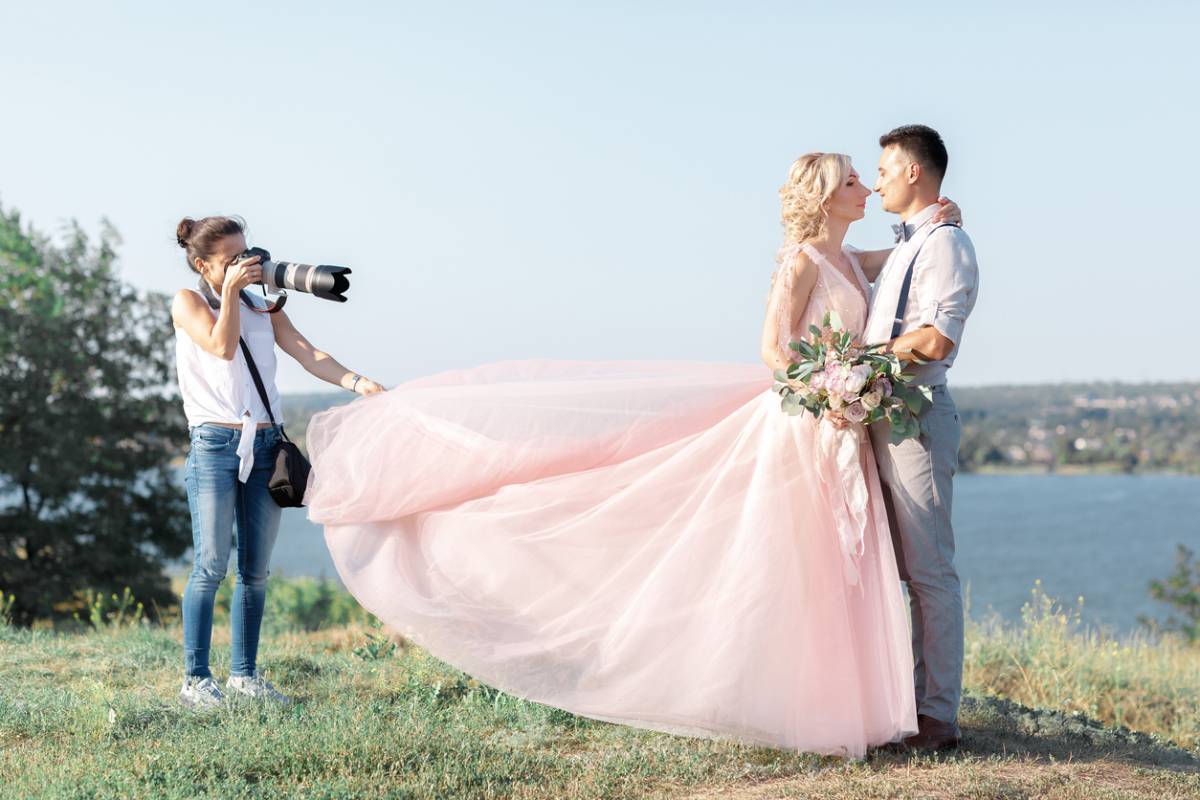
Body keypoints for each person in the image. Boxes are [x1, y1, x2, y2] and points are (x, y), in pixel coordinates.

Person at [303, 158, 961, 758]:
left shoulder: (850, 259)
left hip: (842, 426)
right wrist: (829, 389)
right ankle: (801, 706)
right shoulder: (801, 263)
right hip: (807, 425)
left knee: (840, 565)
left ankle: (857, 709)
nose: (865, 187)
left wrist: (942, 217)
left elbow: (902, 257)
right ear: (824, 196)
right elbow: (773, 350)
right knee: (800, 564)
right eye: (852, 180)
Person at [170, 215, 385, 709]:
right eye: (231, 260)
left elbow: (309, 354)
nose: (246, 265)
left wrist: (359, 383)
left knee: (256, 572)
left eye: (247, 254)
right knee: (209, 566)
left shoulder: (262, 305)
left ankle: (244, 677)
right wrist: (229, 293)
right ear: (202, 264)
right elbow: (222, 347)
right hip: (215, 446)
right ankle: (196, 681)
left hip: (266, 448)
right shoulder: (189, 302)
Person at [863, 125, 980, 751]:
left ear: (913, 171)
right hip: (878, 419)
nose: (875, 178)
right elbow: (841, 262)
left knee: (929, 572)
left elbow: (936, 340)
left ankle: (937, 718)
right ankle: (902, 704)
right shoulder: (910, 242)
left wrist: (858, 360)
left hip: (918, 418)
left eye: (883, 168)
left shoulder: (947, 245)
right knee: (893, 569)